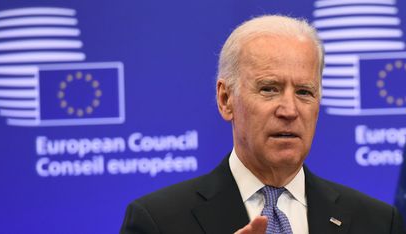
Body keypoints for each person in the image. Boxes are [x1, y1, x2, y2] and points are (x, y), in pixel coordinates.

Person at [120, 15, 405, 234]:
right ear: (225, 99)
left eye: (304, 92)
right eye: (269, 89)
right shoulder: (158, 221)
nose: (290, 110)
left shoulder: (377, 221)